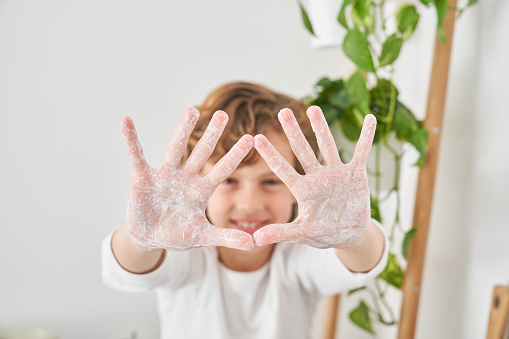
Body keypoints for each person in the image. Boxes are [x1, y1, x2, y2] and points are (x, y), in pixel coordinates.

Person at [102, 82, 388, 339]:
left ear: (296, 190)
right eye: (228, 180)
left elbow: (363, 263)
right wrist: (141, 239)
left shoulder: (298, 258)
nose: (250, 204)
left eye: (271, 181)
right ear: (196, 181)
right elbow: (127, 270)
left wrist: (355, 236)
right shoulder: (185, 254)